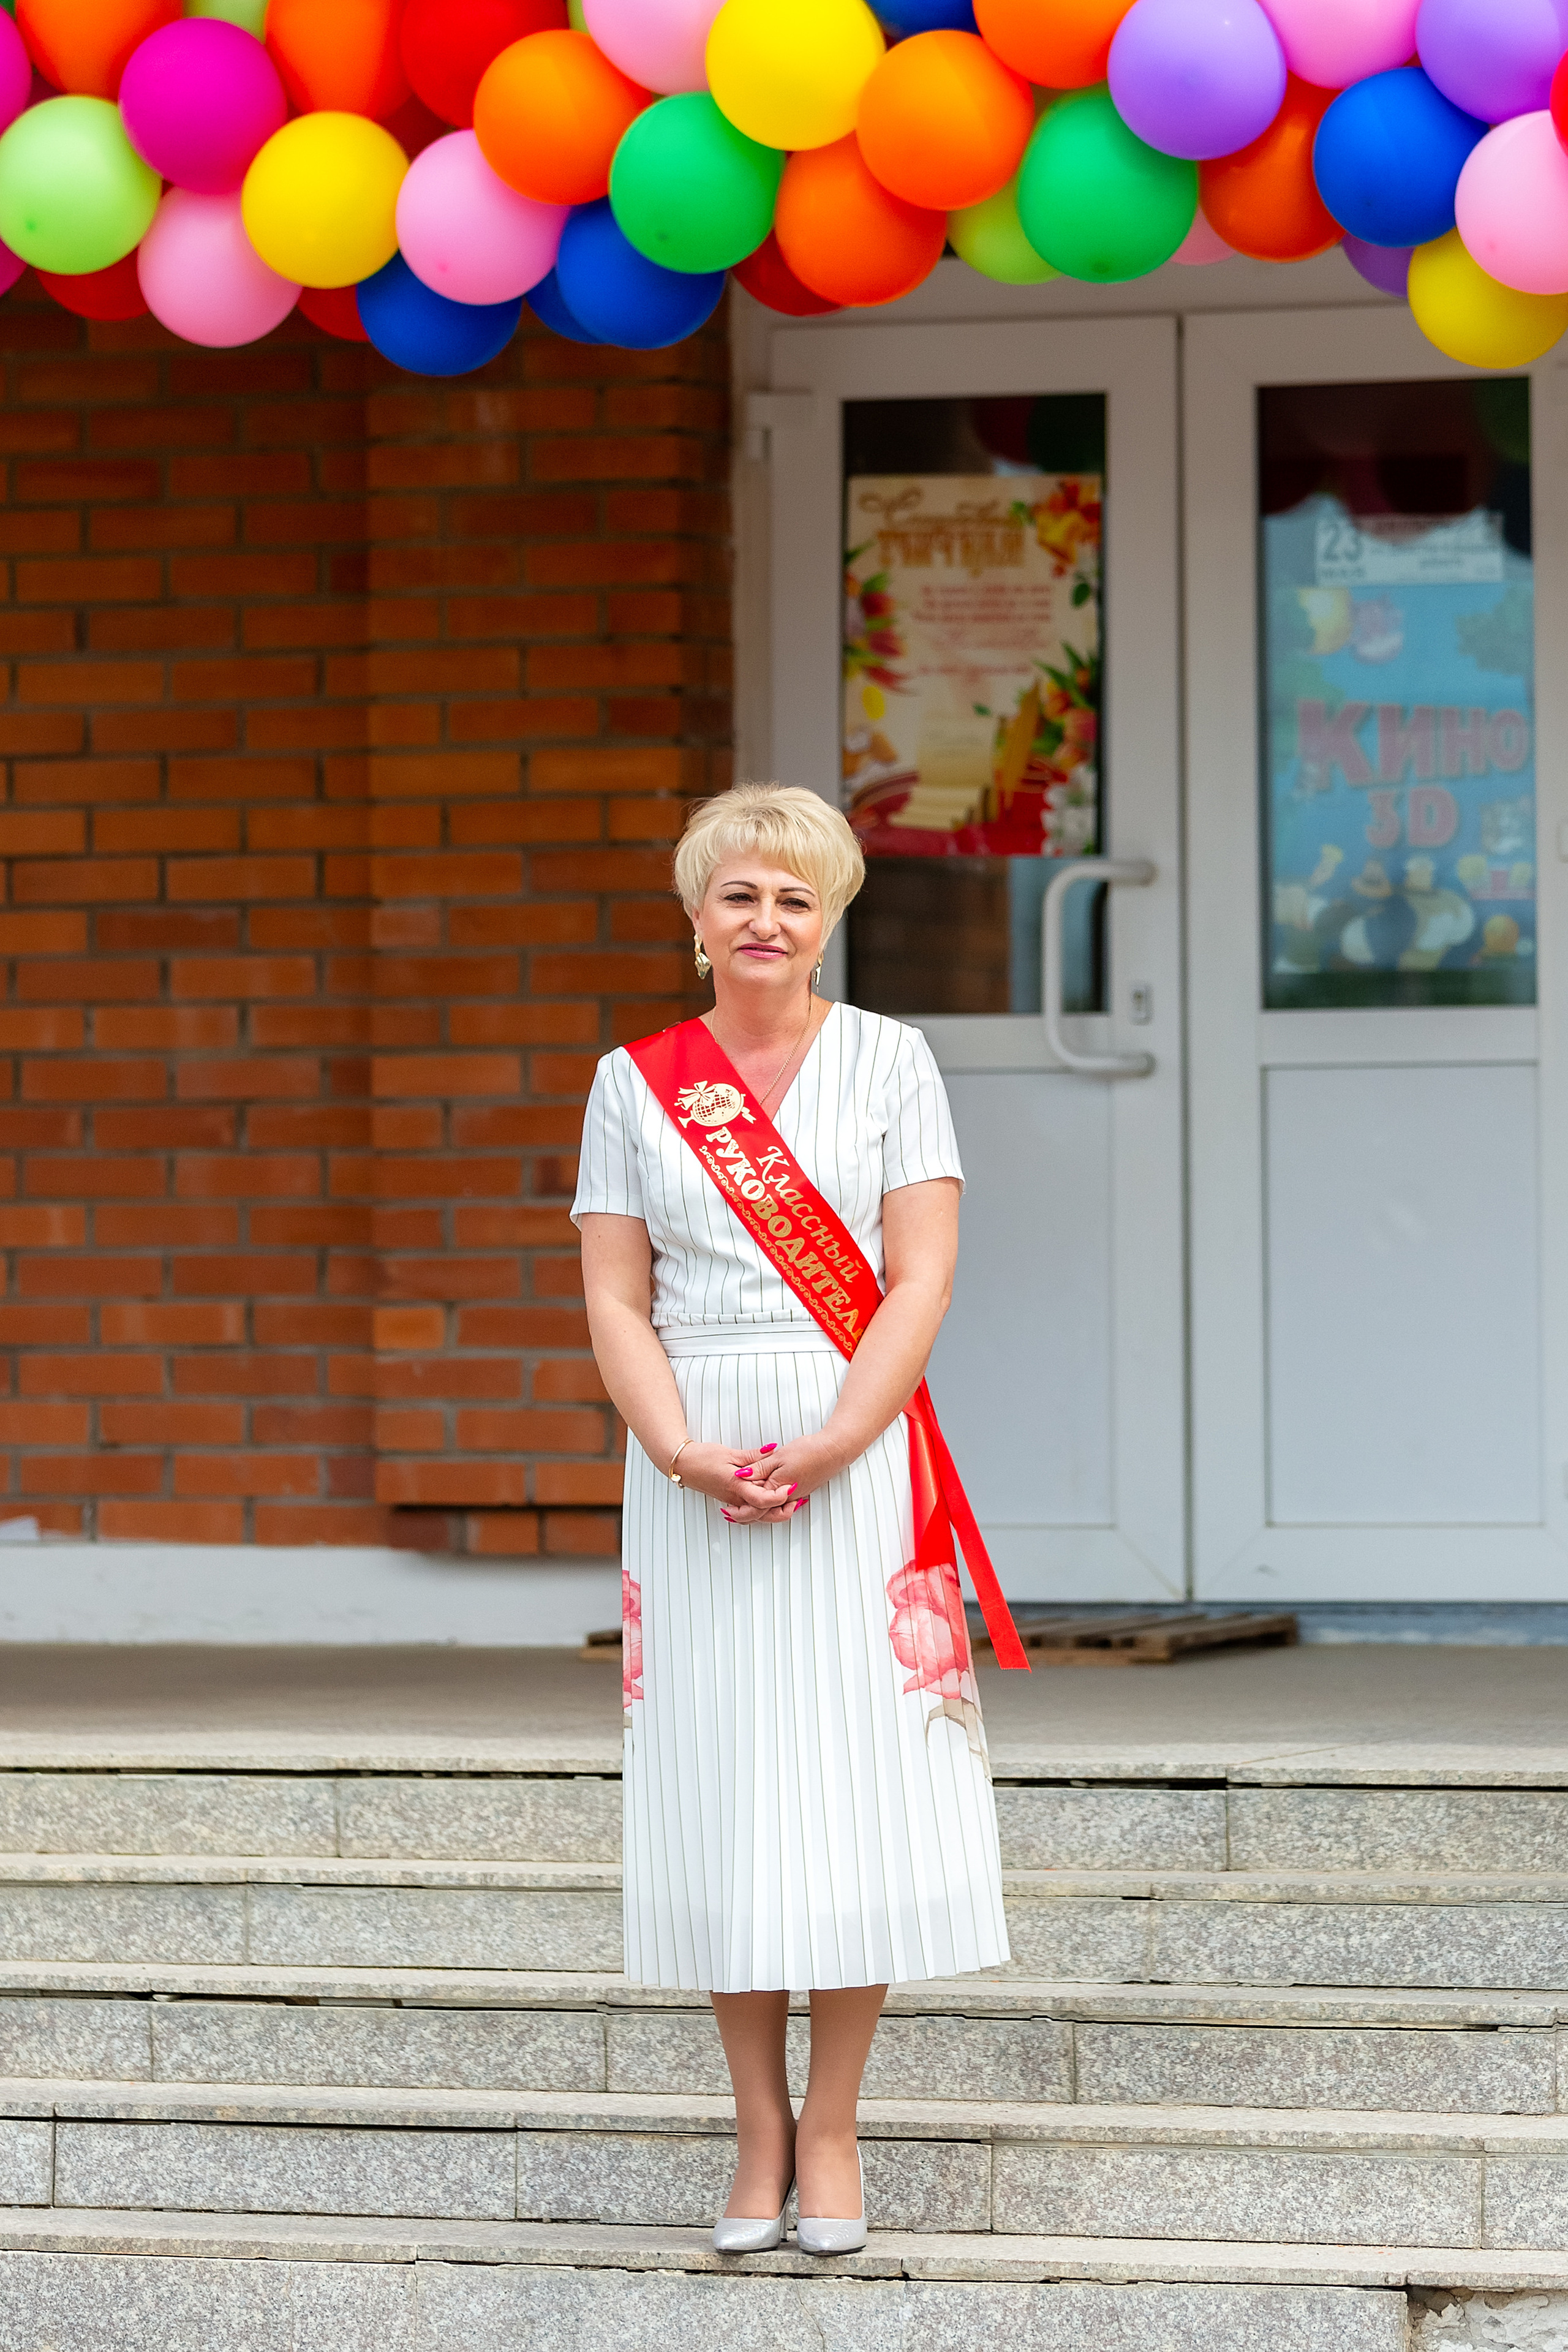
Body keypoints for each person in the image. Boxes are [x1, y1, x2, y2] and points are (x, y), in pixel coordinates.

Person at [573, 782, 1011, 2256]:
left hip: (852, 1446)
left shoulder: (891, 1059)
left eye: (795, 899)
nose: (766, 921)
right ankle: (752, 2126)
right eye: (740, 895)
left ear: (829, 922)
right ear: (695, 919)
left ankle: (830, 2125)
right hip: (692, 1458)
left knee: (851, 1783)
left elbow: (917, 1280)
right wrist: (684, 1448)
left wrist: (832, 1440)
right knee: (730, 1785)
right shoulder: (636, 1082)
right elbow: (613, 1297)